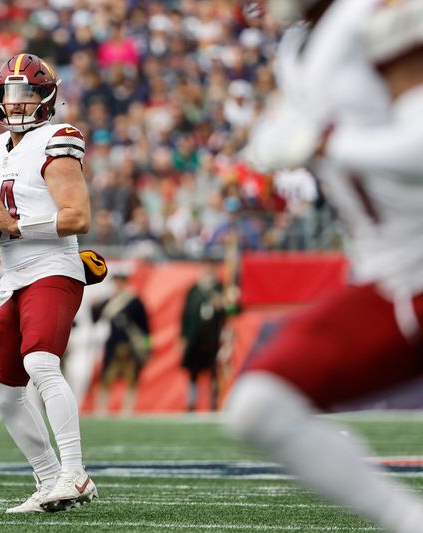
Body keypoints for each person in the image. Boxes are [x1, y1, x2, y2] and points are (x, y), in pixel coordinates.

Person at [226, 1, 423, 532]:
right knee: (259, 405)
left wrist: (326, 142)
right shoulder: (297, 46)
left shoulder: (378, 14)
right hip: (394, 277)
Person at [0, 53, 98, 513]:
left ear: (47, 96)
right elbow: (7, 214)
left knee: (40, 362)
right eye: (11, 93)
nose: (19, 102)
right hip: (14, 275)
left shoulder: (58, 138)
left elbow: (78, 217)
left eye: (29, 92)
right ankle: (50, 476)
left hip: (53, 268)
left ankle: (74, 474)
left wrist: (14, 227)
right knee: (1, 388)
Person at [91, 270, 150, 416]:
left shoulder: (135, 301)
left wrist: (147, 347)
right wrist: (94, 305)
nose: (117, 285)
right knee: (106, 379)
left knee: (131, 380)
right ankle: (101, 411)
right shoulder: (109, 301)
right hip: (113, 345)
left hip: (130, 347)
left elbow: (145, 327)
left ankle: (127, 411)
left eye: (119, 281)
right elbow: (95, 318)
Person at [180, 260, 226, 412]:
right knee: (193, 371)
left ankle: (213, 402)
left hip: (213, 336)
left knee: (214, 371)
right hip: (196, 336)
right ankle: (191, 403)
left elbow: (230, 311)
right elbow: (185, 315)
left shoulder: (220, 288)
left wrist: (222, 304)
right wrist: (183, 336)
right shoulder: (194, 290)